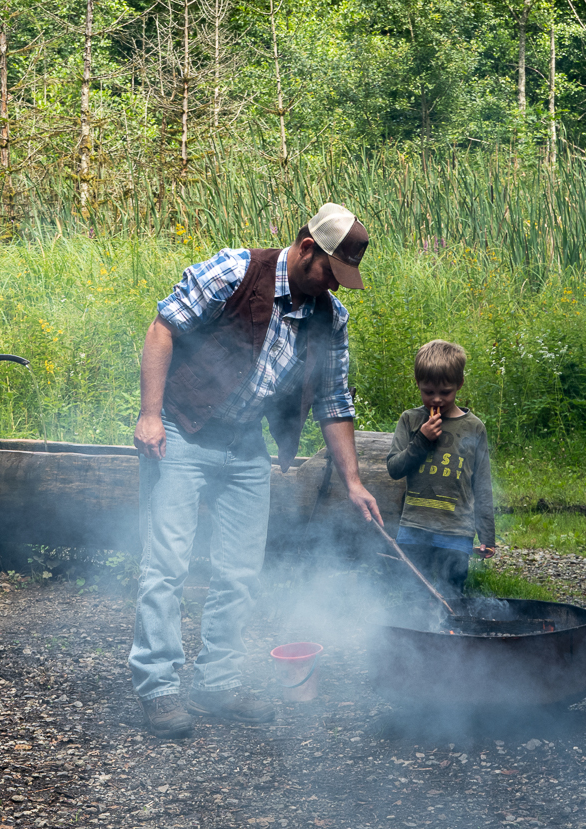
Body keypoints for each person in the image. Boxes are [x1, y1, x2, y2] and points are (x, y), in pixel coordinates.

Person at [129, 203, 382, 738]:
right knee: (168, 564)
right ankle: (157, 688)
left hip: (244, 444)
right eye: (329, 275)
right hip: (183, 429)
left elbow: (334, 402)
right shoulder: (235, 270)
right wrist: (150, 415)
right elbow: (162, 328)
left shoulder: (329, 318)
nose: (332, 288)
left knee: (240, 573)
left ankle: (216, 686)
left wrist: (354, 483)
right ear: (307, 247)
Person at [384, 339, 495, 600]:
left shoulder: (474, 427)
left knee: (451, 595)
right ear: (418, 384)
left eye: (445, 392)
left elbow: (482, 484)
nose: (436, 399)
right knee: (413, 595)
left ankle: (448, 639)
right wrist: (421, 440)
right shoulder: (410, 420)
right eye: (428, 391)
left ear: (459, 385)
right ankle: (413, 640)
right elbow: (394, 468)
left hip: (456, 532)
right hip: (414, 528)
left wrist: (487, 534)